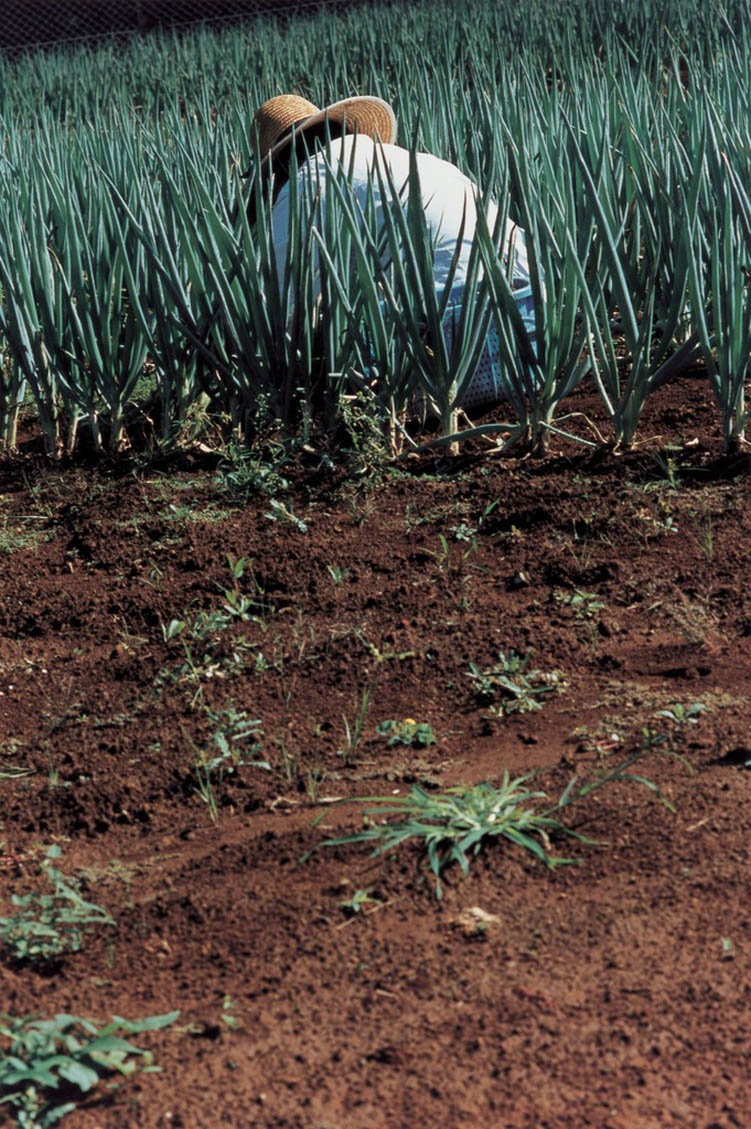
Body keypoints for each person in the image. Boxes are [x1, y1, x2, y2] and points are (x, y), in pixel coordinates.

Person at [247, 93, 536, 412]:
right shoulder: (415, 160)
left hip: (446, 342)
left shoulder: (305, 184)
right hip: (527, 326)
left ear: (280, 164)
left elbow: (280, 305)